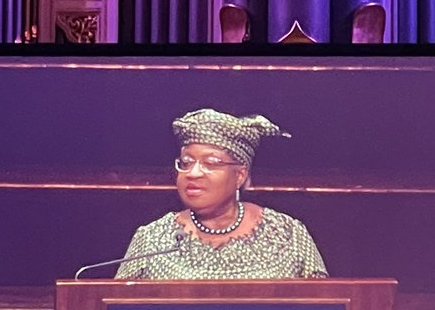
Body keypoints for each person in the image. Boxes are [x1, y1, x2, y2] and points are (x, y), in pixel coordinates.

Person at [115, 108, 328, 279]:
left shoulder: (287, 234)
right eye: (186, 163)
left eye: (211, 163)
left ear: (240, 175)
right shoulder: (152, 239)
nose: (193, 173)